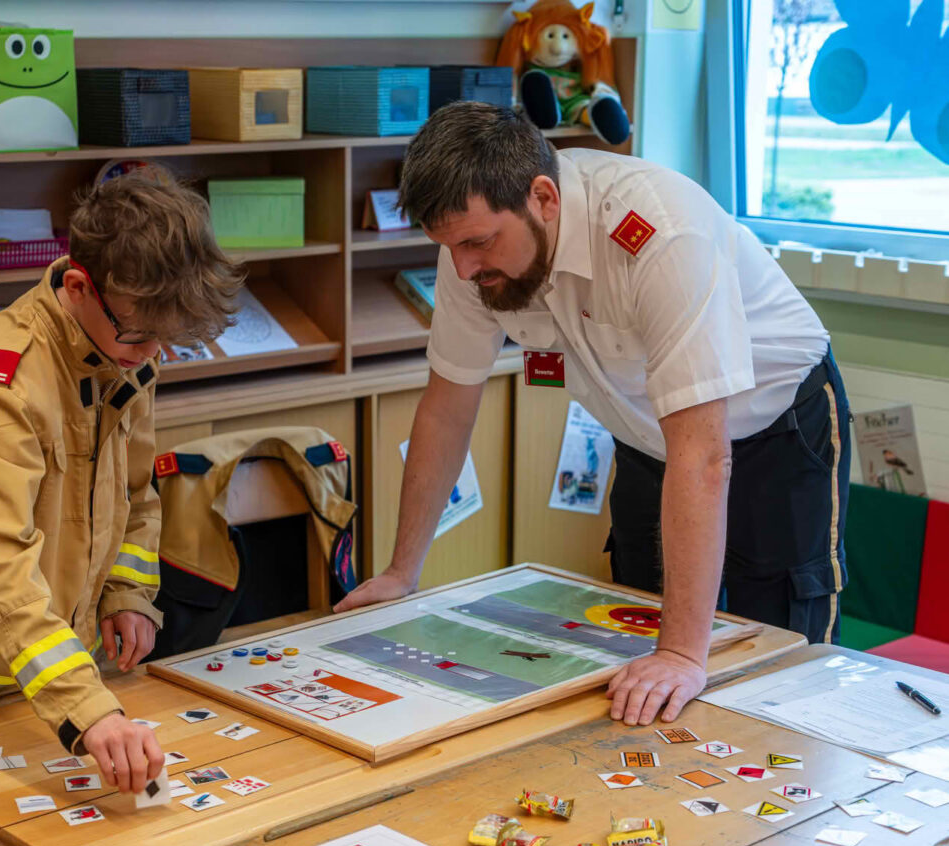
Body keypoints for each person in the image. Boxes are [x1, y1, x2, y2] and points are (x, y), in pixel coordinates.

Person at [337, 102, 850, 731]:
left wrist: (684, 653)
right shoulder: (469, 252)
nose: (464, 267)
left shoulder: (659, 232)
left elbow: (704, 453)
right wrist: (399, 574)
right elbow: (446, 410)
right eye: (449, 247)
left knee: (772, 645)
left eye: (477, 242)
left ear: (544, 198)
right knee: (631, 633)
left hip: (774, 424)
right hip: (644, 432)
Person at [0, 173, 242, 846]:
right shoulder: (2, 383)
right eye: (138, 335)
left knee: (89, 845)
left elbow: (137, 492)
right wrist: (89, 710)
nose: (146, 354)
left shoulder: (125, 345)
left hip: (71, 646)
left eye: (162, 341)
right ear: (80, 285)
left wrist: (127, 593)